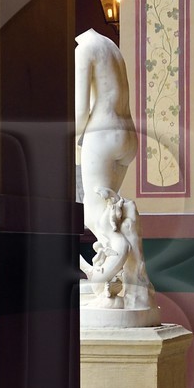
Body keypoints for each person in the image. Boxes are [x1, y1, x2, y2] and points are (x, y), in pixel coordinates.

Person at [75, 29, 137, 239]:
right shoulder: (111, 46)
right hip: (127, 134)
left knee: (94, 217)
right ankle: (130, 269)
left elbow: (81, 112)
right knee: (112, 215)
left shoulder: (84, 49)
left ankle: (109, 269)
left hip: (103, 134)